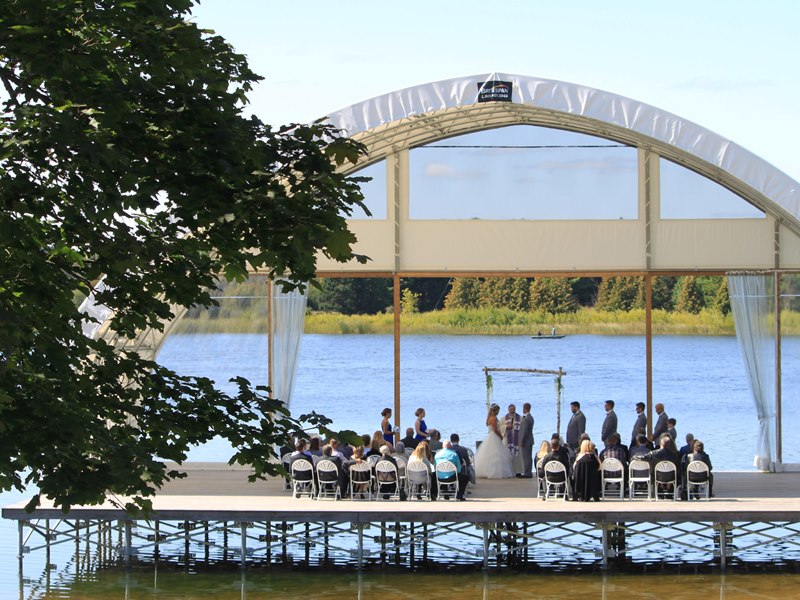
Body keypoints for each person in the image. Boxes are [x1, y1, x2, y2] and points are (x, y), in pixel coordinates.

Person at [474, 404, 515, 479]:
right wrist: (500, 436)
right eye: (498, 411)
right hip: (494, 436)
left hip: (491, 435)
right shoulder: (493, 418)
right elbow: (495, 429)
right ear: (495, 411)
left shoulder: (491, 417)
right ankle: (494, 472)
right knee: (496, 454)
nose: (498, 412)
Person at [503, 403, 523, 477]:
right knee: (508, 456)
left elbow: (523, 429)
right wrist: (506, 427)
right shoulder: (503, 418)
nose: (512, 410)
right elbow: (500, 427)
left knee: (517, 457)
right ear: (508, 410)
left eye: (513, 409)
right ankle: (509, 472)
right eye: (511, 409)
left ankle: (518, 471)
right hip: (508, 440)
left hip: (517, 440)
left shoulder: (520, 418)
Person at [519, 402, 535, 478]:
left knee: (526, 457)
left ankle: (527, 473)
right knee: (528, 457)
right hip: (530, 440)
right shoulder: (530, 417)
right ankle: (528, 471)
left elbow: (525, 431)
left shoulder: (526, 419)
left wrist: (522, 441)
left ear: (524, 408)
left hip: (526, 441)